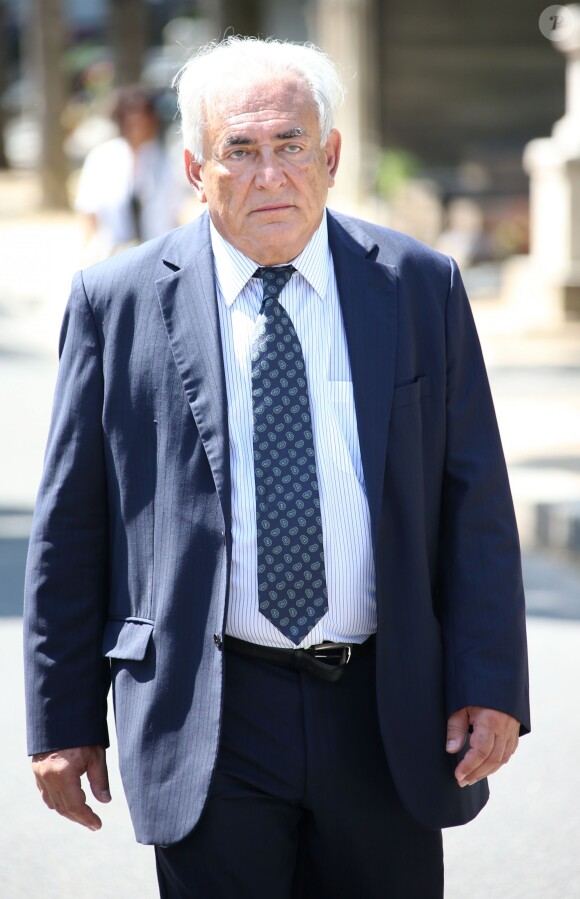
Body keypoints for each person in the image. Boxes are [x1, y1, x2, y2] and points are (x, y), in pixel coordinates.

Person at [24, 37, 530, 898]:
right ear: (195, 167)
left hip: (386, 705)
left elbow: (471, 498)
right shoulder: (116, 303)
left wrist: (491, 680)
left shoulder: (417, 286)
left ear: (329, 156)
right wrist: (62, 718)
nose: (271, 176)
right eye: (241, 151)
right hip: (210, 708)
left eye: (291, 146)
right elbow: (71, 526)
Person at [74, 84, 186, 261]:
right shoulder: (102, 159)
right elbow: (88, 213)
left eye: (142, 120)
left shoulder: (166, 161)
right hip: (113, 256)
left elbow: (176, 214)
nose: (137, 127)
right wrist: (88, 255)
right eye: (130, 121)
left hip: (157, 254)